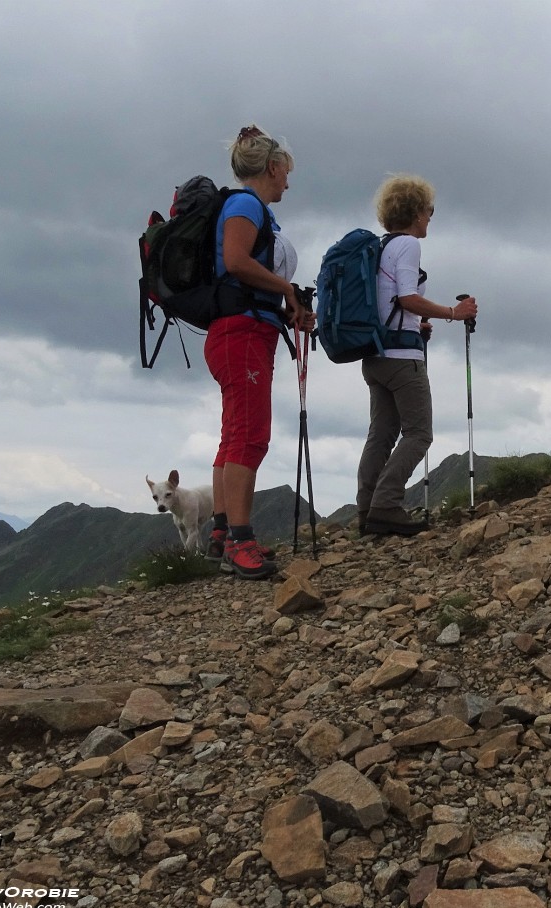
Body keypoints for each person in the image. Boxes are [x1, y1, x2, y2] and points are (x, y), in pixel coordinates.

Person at [203, 125, 315, 578]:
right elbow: (235, 260)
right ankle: (239, 542)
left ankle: (222, 531)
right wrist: (286, 288)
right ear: (273, 167)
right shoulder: (247, 203)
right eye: (287, 171)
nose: (289, 180)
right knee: (250, 436)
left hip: (241, 330)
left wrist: (283, 303)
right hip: (243, 334)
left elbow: (241, 271)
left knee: (234, 434)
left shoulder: (250, 207)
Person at [358, 174, 478, 536]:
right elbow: (407, 297)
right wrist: (455, 314)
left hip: (375, 356)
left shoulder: (380, 246)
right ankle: (386, 505)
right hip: (401, 359)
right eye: (428, 210)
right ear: (413, 212)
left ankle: (366, 511)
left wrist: (415, 325)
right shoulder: (408, 245)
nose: (430, 217)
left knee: (380, 435)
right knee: (419, 433)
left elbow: (391, 302)